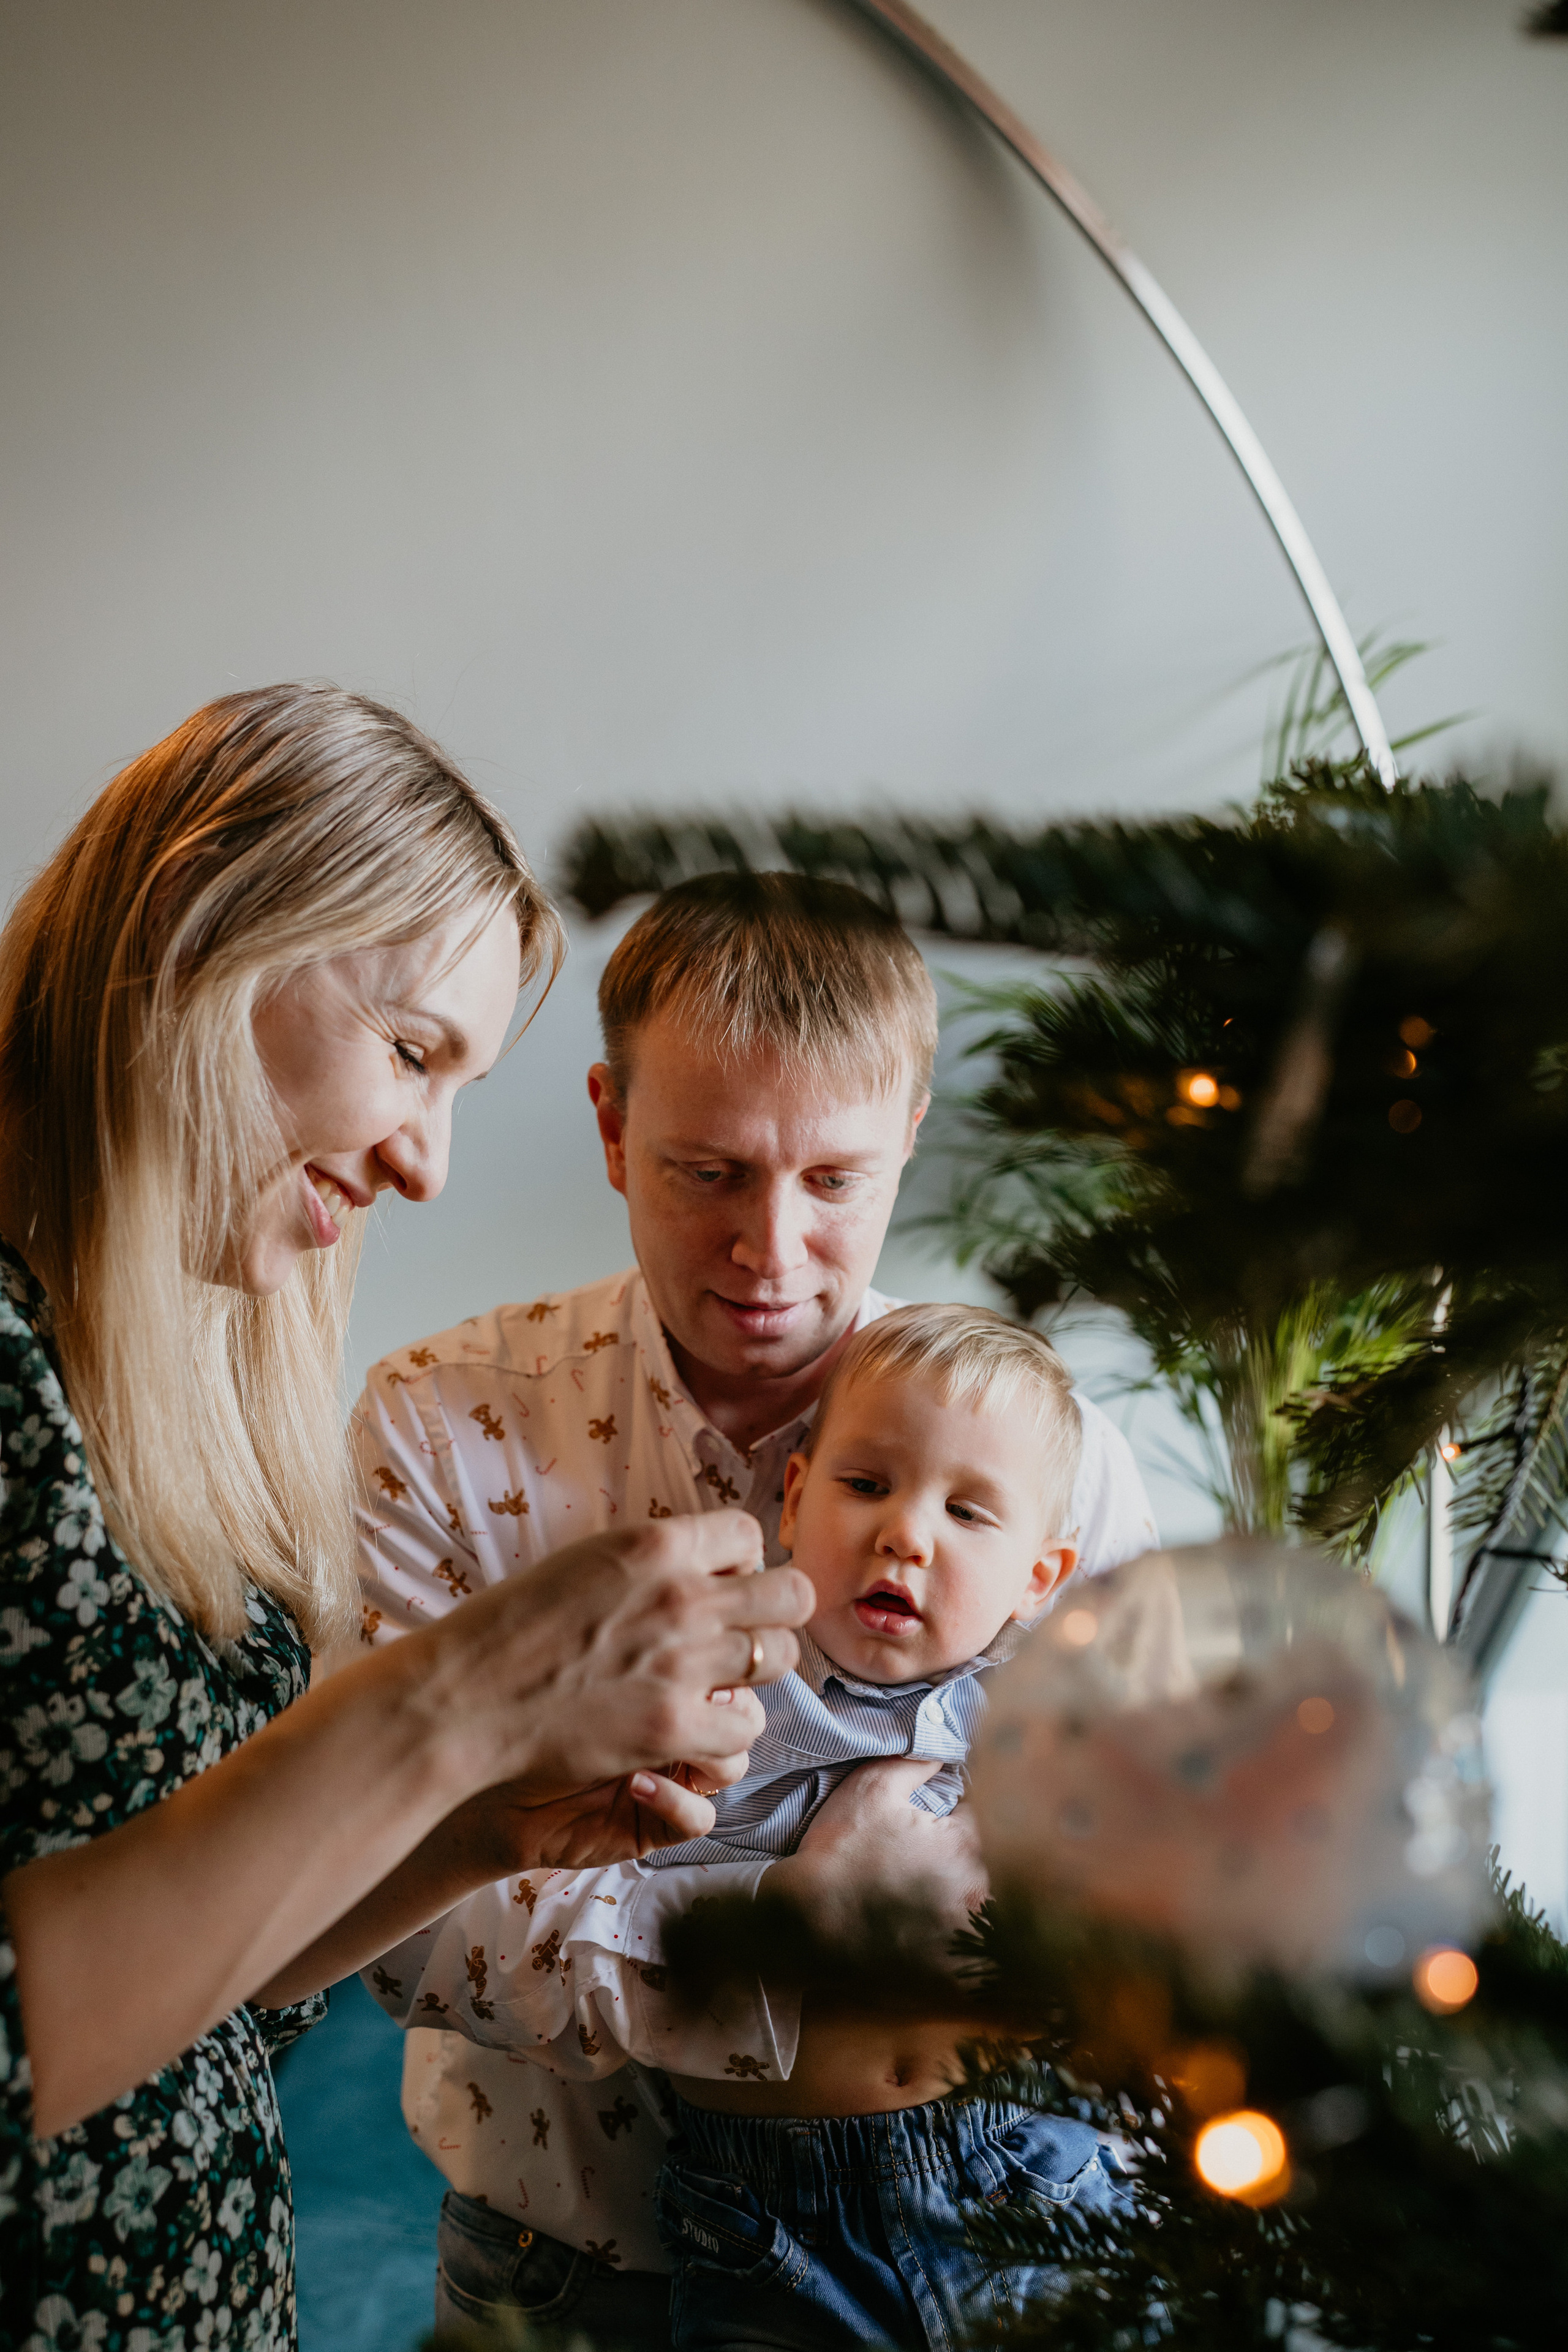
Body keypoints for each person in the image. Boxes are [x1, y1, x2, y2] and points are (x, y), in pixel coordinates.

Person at [0, 690, 809, 2352]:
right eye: (414, 1052)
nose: (429, 1164)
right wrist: (453, 1702)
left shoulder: (120, 1363)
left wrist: (494, 1825)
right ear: (210, 926)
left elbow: (200, 1996)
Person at [356, 872, 1159, 2345]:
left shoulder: (1058, 1469)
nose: (770, 1254)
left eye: (833, 1180)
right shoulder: (434, 1433)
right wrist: (781, 1932)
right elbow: (388, 1909)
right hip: (560, 2255)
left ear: (907, 1136)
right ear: (609, 1124)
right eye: (708, 1171)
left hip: (986, 2219)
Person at [650, 1301, 1121, 2351]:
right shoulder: (713, 1691)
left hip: (1022, 2169)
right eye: (867, 1485)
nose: (905, 1533)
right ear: (793, 1497)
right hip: (762, 2217)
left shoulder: (1049, 1715)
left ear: (1039, 1579)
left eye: (969, 1514)